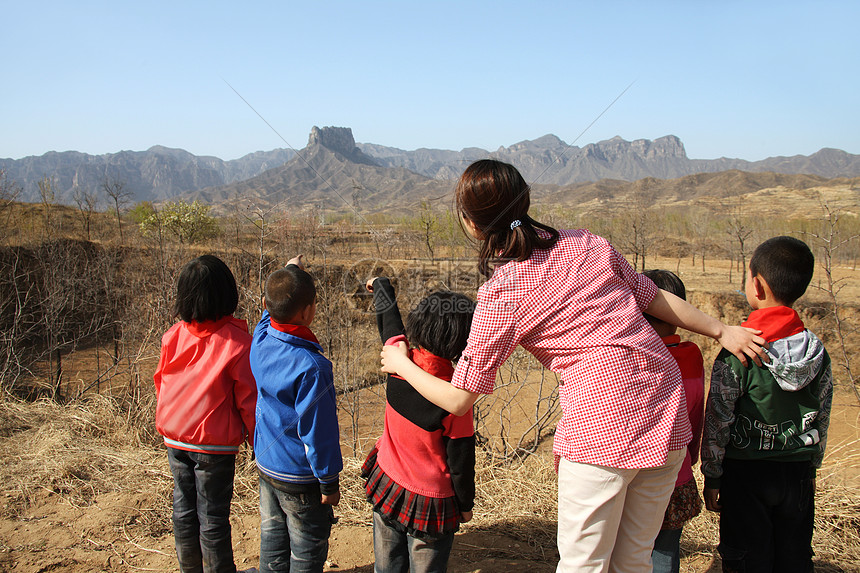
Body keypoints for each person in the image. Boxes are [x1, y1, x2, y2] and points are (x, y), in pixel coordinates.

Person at [380, 159, 766, 572]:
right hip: (665, 411)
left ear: (471, 224)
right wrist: (720, 330)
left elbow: (458, 398)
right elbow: (651, 297)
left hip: (602, 423)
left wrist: (403, 363)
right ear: (524, 201)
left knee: (584, 564)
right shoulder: (587, 244)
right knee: (634, 559)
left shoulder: (502, 292)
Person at [701, 236, 832, 573]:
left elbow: (718, 419)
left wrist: (713, 476)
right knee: (794, 557)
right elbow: (824, 413)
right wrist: (812, 465)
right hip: (797, 470)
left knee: (746, 557)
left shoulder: (738, 351)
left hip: (746, 472)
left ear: (756, 285)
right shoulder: (817, 350)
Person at [362, 276, 476, 573]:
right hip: (431, 501)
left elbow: (388, 323)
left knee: (386, 564)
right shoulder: (454, 395)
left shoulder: (398, 360)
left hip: (387, 480)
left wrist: (382, 285)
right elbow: (461, 458)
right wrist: (465, 505)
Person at [154, 254, 257, 573]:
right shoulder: (239, 343)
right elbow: (249, 401)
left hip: (174, 436)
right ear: (228, 294)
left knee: (183, 511)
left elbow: (161, 380)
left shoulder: (173, 335)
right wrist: (257, 443)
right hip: (214, 446)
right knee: (212, 517)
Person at [251, 255, 342, 573]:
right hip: (301, 478)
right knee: (305, 551)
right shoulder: (312, 368)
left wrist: (290, 272)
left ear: (266, 304)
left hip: (266, 464)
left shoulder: (261, 340)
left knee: (273, 539)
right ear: (309, 311)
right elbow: (319, 433)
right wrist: (329, 482)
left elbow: (269, 313)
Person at [642, 270, 705, 573]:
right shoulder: (691, 356)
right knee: (665, 554)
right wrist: (690, 456)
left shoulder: (632, 358)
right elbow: (696, 414)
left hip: (631, 479)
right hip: (676, 474)